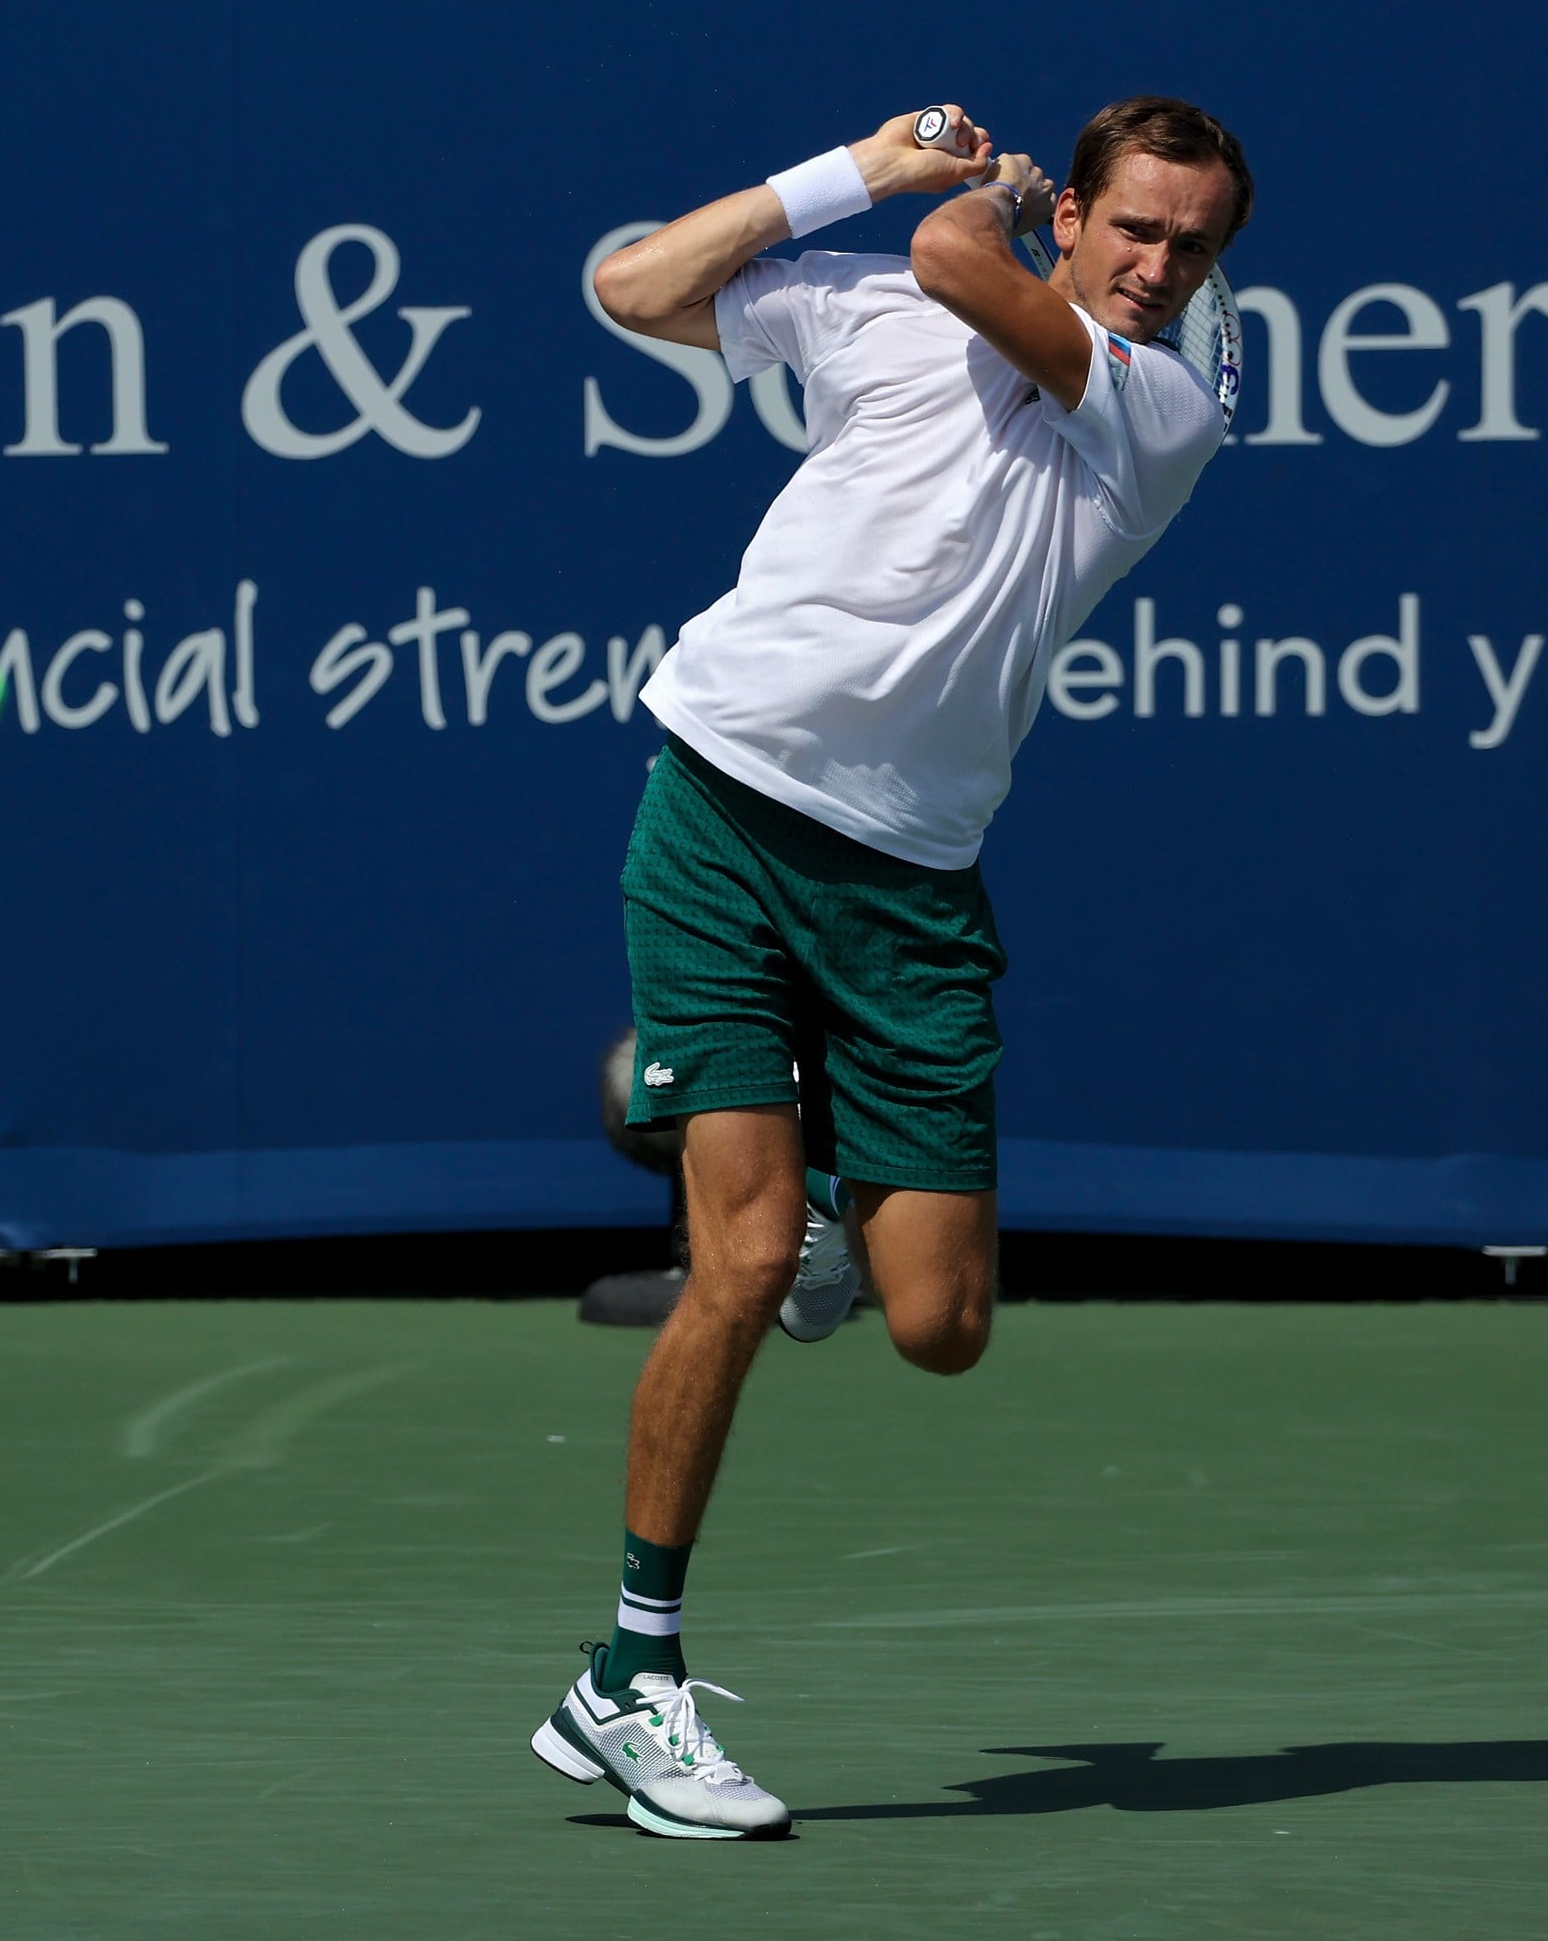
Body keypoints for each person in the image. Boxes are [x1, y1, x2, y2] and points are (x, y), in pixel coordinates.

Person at [526, 96, 1253, 1839]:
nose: (1160, 269)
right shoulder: (876, 303)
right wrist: (840, 174)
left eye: (1195, 246)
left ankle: (781, 1152)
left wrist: (963, 197)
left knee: (939, 1327)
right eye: (1133, 229)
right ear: (1076, 214)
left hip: (912, 891)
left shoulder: (1168, 399)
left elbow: (952, 253)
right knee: (745, 1256)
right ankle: (633, 1675)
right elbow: (635, 289)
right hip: (717, 807)